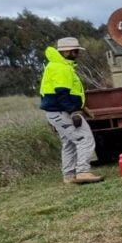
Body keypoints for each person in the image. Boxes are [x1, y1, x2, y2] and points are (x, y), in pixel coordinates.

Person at [38, 37, 103, 184]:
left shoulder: (58, 65)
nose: (77, 53)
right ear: (67, 51)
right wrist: (74, 112)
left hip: (57, 112)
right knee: (84, 138)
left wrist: (83, 108)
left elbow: (67, 93)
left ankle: (69, 175)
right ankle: (83, 172)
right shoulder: (60, 68)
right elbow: (62, 93)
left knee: (69, 143)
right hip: (63, 112)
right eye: (75, 51)